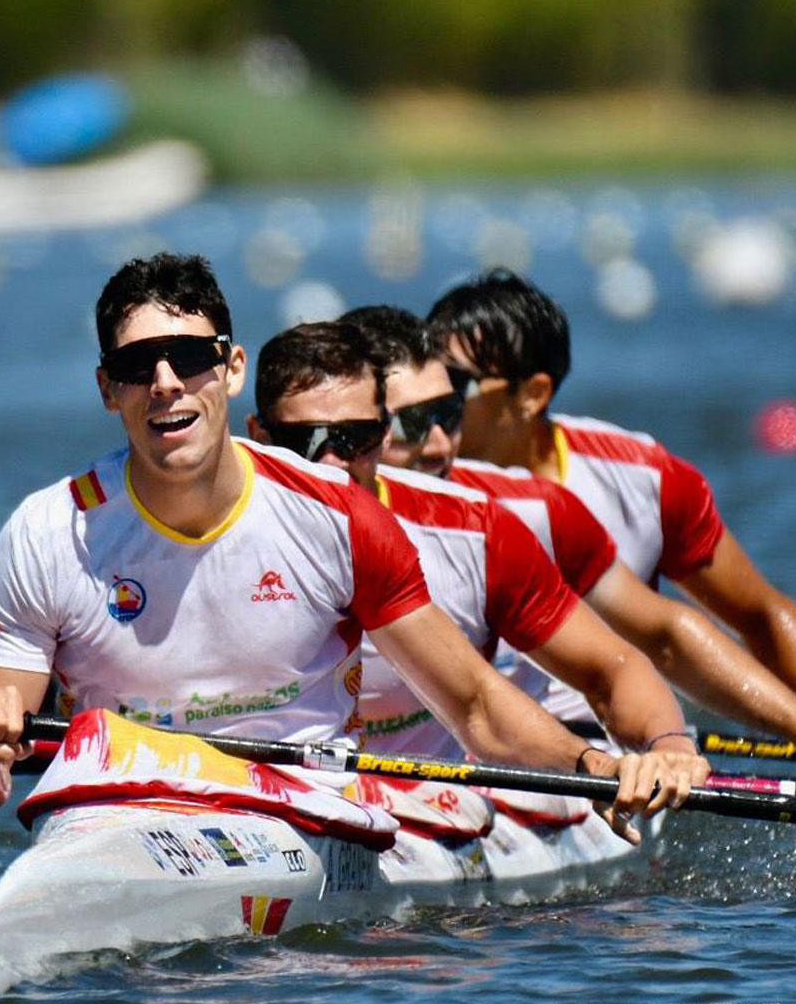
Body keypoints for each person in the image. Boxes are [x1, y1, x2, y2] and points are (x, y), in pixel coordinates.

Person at [0, 252, 677, 841]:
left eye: (188, 358)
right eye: (135, 368)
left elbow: (476, 711)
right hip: (117, 815)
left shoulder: (335, 517)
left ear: (230, 369)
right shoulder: (45, 534)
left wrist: (594, 766)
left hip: (305, 813)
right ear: (107, 389)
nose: (163, 384)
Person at [246, 319, 708, 819]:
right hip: (268, 800)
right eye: (304, 441)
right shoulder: (203, 525)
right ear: (257, 435)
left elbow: (611, 670)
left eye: (354, 438)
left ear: (382, 433)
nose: (331, 465)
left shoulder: (475, 529)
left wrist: (669, 748)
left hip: (435, 808)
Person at [341, 303, 796, 755]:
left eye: (450, 409)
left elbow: (667, 637)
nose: (441, 443)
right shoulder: (288, 502)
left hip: (537, 767)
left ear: (534, 393)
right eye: (415, 423)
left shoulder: (535, 509)